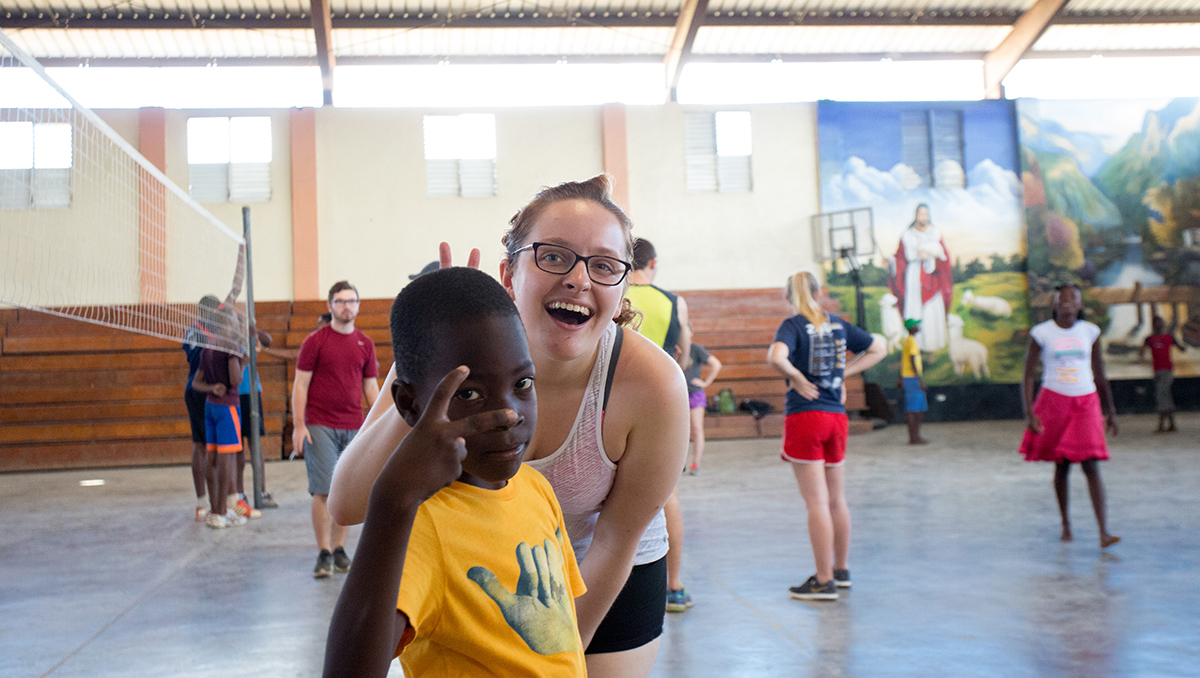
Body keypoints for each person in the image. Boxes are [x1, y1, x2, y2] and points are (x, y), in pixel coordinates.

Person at [327, 175, 689, 678]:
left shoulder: (653, 386)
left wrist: (551, 659)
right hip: (483, 562)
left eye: (604, 266)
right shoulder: (456, 353)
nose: (579, 279)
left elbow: (615, 542)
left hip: (605, 568)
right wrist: (432, 358)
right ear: (509, 273)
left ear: (624, 284)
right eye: (554, 256)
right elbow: (346, 503)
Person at [323, 267, 586, 678]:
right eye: (469, 393)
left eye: (523, 382)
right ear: (410, 404)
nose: (508, 414)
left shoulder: (535, 488)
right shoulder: (421, 527)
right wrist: (392, 502)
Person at [767, 272, 885, 601]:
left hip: (806, 417)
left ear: (789, 297)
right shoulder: (838, 324)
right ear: (820, 292)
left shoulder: (792, 325)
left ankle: (823, 579)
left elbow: (776, 357)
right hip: (836, 417)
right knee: (837, 499)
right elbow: (879, 347)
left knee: (816, 502)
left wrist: (796, 377)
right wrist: (841, 373)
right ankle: (841, 569)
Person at [624, 237, 696, 614]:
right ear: (653, 263)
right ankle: (674, 586)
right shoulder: (674, 301)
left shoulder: (615, 293)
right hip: (662, 405)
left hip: (613, 401)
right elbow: (684, 352)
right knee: (667, 497)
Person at [1020, 284, 1120, 548]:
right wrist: (1029, 411)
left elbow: (1100, 374)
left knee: (1091, 465)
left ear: (1079, 304)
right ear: (1054, 303)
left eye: (1073, 299)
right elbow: (1028, 374)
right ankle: (1066, 523)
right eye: (1062, 299)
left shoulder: (1090, 332)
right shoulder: (1041, 333)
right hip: (1054, 400)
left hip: (1085, 401)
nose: (1067, 302)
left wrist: (1111, 411)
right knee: (1062, 465)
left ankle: (1104, 532)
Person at [293, 281, 380, 578]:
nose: (347, 306)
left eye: (352, 301)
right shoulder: (315, 342)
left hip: (354, 425)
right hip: (319, 424)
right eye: (341, 301)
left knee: (347, 490)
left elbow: (370, 387)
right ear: (330, 306)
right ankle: (324, 551)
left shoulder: (365, 344)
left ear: (358, 305)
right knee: (324, 490)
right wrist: (299, 425)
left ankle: (341, 549)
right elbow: (301, 384)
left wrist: (378, 423)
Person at [191, 341, 249, 529]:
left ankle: (216, 512)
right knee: (226, 460)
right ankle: (221, 512)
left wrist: (212, 388)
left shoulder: (207, 347)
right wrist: (244, 360)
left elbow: (196, 382)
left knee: (212, 459)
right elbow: (236, 380)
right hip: (227, 407)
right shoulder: (229, 348)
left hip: (211, 405)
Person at [889, 204, 952, 353]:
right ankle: (915, 345)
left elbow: (945, 258)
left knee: (931, 310)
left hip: (932, 276)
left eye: (925, 214)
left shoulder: (935, 233)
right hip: (913, 277)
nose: (923, 217)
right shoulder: (907, 235)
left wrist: (931, 255)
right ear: (916, 215)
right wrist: (890, 261)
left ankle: (932, 346)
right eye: (920, 214)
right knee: (914, 308)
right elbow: (900, 257)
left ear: (928, 216)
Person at [184, 295, 220, 521]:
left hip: (216, 391)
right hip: (200, 390)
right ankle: (203, 503)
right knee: (202, 445)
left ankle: (222, 500)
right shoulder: (194, 331)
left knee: (216, 447)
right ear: (207, 312)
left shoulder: (217, 331)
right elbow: (199, 360)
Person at [234, 327, 275, 514]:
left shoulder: (251, 338)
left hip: (252, 394)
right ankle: (239, 494)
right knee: (237, 448)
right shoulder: (229, 339)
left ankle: (262, 491)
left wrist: (255, 331)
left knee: (255, 445)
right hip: (234, 395)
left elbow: (268, 341)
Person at [683, 334, 721, 475]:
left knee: (696, 429)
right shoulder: (675, 348)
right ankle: (679, 464)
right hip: (678, 394)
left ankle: (695, 463)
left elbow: (716, 364)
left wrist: (706, 382)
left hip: (694, 393)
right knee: (680, 431)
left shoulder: (696, 349)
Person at [1140, 316, 1185, 433]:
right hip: (1159, 370)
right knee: (1165, 395)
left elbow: (1182, 349)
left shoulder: (1168, 338)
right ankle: (1171, 423)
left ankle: (1163, 424)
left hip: (1165, 370)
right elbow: (1141, 352)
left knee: (1162, 395)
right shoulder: (1151, 339)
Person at [899, 318, 929, 445]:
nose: (918, 326)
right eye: (916, 325)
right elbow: (911, 360)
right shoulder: (911, 341)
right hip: (912, 379)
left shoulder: (910, 340)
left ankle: (916, 436)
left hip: (910, 378)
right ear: (911, 328)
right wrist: (919, 379)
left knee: (917, 409)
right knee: (913, 410)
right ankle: (914, 438)